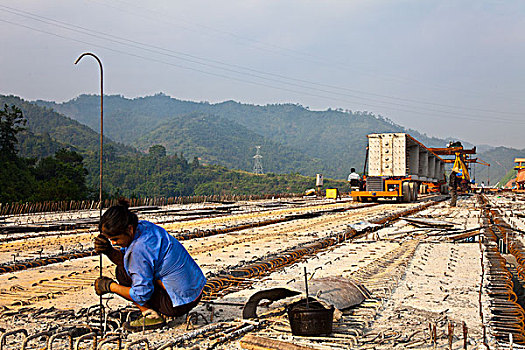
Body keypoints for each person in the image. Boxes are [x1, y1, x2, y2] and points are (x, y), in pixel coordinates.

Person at [93, 200, 206, 331]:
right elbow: (125, 260)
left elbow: (141, 294)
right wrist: (109, 251)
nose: (113, 242)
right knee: (125, 268)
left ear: (129, 229)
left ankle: (151, 316)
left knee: (122, 274)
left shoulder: (138, 249)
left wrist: (110, 287)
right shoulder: (143, 227)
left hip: (180, 303)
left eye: (116, 239)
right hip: (195, 291)